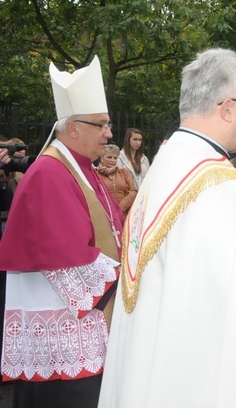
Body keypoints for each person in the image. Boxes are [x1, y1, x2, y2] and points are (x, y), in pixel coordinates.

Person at [98, 48, 236, 407]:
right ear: (227, 108)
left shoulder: (166, 164)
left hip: (158, 363)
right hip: (197, 376)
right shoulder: (216, 183)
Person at [0, 56, 123, 408]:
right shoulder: (50, 174)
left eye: (108, 124)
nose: (109, 133)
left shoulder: (83, 170)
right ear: (72, 128)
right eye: (101, 125)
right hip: (66, 342)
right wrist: (131, 285)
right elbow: (68, 259)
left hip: (88, 331)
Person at [97, 144, 138, 216]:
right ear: (102, 157)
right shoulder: (96, 174)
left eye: (115, 158)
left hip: (123, 214)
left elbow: (133, 191)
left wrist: (120, 208)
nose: (112, 160)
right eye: (109, 157)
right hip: (104, 214)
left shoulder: (124, 172)